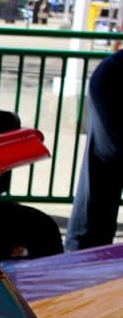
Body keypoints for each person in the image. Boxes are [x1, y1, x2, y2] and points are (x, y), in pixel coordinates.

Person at [65, 49, 123, 251]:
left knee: (102, 178)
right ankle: (81, 259)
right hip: (115, 83)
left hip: (111, 79)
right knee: (102, 176)